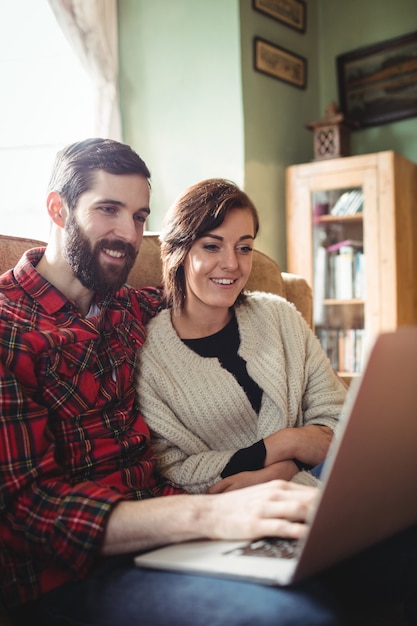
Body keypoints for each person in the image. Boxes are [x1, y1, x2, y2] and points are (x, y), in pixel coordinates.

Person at [0, 138, 415, 626]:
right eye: (108, 209)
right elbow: (24, 511)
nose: (128, 234)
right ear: (57, 208)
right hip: (80, 573)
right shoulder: (10, 329)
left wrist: (272, 473)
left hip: (178, 533)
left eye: (138, 216)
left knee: (399, 542)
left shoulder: (128, 306)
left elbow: (203, 291)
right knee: (294, 616)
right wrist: (210, 516)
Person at [136, 179, 346, 494]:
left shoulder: (281, 317)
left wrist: (279, 473)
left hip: (329, 488)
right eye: (212, 246)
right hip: (236, 520)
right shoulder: (149, 358)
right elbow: (174, 470)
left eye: (244, 248)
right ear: (178, 251)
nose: (232, 264)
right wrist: (283, 443)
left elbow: (338, 419)